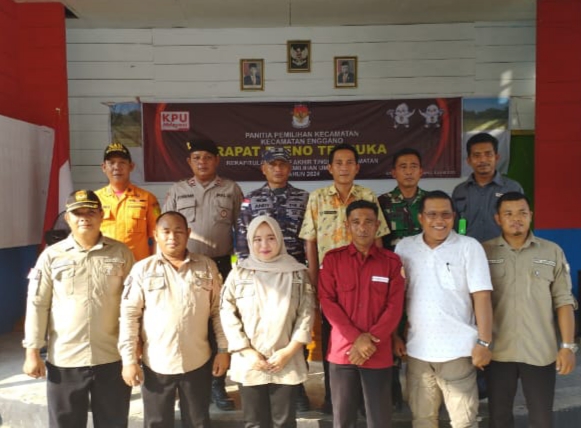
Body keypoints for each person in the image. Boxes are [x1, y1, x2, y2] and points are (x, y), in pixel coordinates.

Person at [22, 190, 135, 428]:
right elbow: (37, 304)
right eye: (77, 213)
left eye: (90, 212)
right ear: (67, 218)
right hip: (65, 360)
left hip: (111, 358)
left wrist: (135, 351)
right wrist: (32, 351)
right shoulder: (51, 256)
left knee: (114, 424)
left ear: (101, 215)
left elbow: (134, 305)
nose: (84, 218)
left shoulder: (121, 252)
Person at [299, 143, 390, 413]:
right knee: (334, 338)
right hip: (332, 281)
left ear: (357, 167)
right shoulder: (317, 198)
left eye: (350, 162)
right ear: (330, 168)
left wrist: (380, 272)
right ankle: (334, 398)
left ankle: (364, 400)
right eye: (338, 163)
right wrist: (314, 279)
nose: (344, 167)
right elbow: (310, 241)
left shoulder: (367, 195)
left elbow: (379, 237)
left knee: (367, 332)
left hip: (365, 276)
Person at [119, 211, 230, 428]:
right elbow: (129, 316)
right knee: (157, 423)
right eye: (166, 231)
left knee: (198, 422)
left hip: (197, 361)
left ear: (188, 233)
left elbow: (219, 311)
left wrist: (223, 350)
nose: (172, 237)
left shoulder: (206, 266)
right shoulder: (142, 270)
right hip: (156, 363)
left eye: (178, 231)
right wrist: (129, 360)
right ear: (155, 235)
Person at [395, 190, 493, 428]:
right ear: (421, 218)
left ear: (454, 217)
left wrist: (484, 342)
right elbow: (396, 298)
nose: (439, 220)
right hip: (418, 351)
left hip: (458, 350)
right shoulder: (405, 248)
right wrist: (395, 335)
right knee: (423, 420)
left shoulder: (469, 247)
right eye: (432, 214)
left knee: (464, 422)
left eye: (446, 215)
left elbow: (482, 296)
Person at [482, 192, 578, 428]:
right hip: (498, 351)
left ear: (530, 216)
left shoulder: (551, 251)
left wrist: (567, 346)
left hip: (540, 350)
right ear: (498, 219)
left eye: (522, 213)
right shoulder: (484, 252)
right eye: (508, 213)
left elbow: (564, 301)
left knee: (542, 419)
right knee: (499, 418)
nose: (516, 218)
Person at [163, 139, 243, 410]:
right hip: (185, 266)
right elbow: (165, 229)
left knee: (220, 324)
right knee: (188, 322)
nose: (202, 162)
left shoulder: (231, 189)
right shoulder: (178, 190)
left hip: (221, 265)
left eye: (208, 157)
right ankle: (190, 384)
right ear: (189, 161)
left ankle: (217, 385)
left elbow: (242, 230)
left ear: (216, 160)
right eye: (197, 157)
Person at [236, 147, 312, 411]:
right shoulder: (251, 199)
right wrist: (245, 273)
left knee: (293, 328)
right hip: (259, 277)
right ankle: (261, 384)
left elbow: (309, 239)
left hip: (292, 275)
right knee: (261, 329)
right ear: (264, 168)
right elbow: (242, 239)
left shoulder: (304, 198)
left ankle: (297, 387)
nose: (278, 169)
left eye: (282, 164)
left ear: (289, 168)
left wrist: (308, 273)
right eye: (272, 164)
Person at [221, 216, 314, 428]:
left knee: (284, 422)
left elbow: (306, 314)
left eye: (271, 238)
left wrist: (287, 352)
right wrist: (247, 351)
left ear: (280, 239)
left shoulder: (297, 273)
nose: (264, 245)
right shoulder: (239, 273)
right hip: (250, 360)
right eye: (257, 239)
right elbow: (226, 312)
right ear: (249, 242)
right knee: (254, 422)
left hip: (286, 360)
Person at [318, 200, 405, 428]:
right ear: (347, 226)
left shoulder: (391, 262)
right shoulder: (333, 259)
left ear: (377, 225)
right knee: (343, 420)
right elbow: (327, 301)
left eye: (368, 222)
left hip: (377, 352)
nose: (362, 227)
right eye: (356, 222)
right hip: (342, 352)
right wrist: (357, 338)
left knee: (379, 419)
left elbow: (395, 306)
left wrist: (369, 341)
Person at [378, 147, 427, 409]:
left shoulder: (431, 202)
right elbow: (378, 243)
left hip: (426, 279)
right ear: (393, 172)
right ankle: (393, 393)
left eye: (413, 166)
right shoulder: (383, 203)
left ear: (421, 171)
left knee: (423, 329)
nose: (408, 171)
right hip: (393, 279)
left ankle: (426, 393)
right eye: (403, 167)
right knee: (392, 328)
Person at [452, 132, 523, 242]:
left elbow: (521, 223)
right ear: (469, 160)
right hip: (469, 250)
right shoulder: (460, 191)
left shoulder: (512, 188)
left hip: (503, 250)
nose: (483, 160)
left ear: (497, 157)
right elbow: (455, 226)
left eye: (488, 154)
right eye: (477, 155)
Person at [95, 142, 161, 261]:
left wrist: (156, 263)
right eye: (111, 163)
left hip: (137, 265)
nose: (117, 167)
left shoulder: (147, 198)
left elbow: (158, 235)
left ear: (131, 166)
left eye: (122, 162)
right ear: (104, 167)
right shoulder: (95, 199)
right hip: (105, 264)